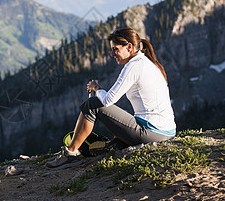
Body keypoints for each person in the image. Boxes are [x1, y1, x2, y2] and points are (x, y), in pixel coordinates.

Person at [47, 28, 176, 168]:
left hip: (151, 132)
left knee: (92, 105)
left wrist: (97, 89)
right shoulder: (147, 62)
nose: (112, 54)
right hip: (166, 132)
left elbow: (108, 100)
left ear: (129, 47)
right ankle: (109, 145)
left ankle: (70, 153)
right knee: (109, 148)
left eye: (115, 49)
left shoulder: (134, 65)